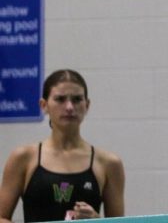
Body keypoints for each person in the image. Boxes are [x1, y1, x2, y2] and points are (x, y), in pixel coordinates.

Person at [0, 70, 125, 223]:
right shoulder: (23, 158)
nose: (69, 107)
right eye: (60, 99)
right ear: (44, 105)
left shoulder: (109, 164)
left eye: (77, 99)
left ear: (87, 105)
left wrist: (97, 221)